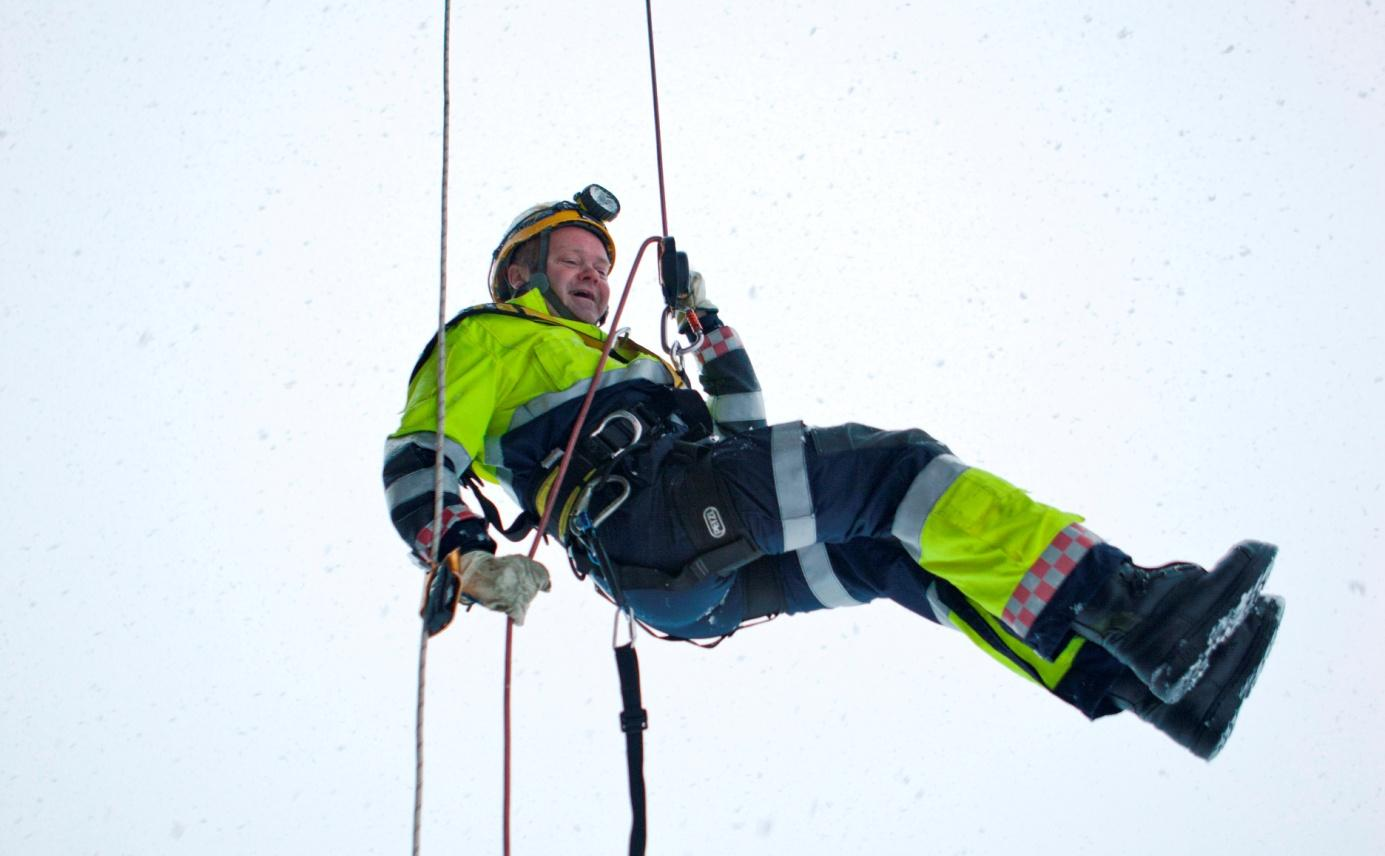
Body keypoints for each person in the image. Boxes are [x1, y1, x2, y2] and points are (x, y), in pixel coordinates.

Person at [383, 186, 1283, 760]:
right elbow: (415, 458)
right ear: (518, 273)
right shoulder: (488, 338)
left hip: (682, 582)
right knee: (897, 474)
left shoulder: (632, 362)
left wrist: (712, 343)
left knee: (893, 552)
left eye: (599, 263)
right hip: (648, 519)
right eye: (574, 259)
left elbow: (746, 437)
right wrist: (459, 555)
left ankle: (1124, 671)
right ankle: (1133, 607)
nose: (592, 274)